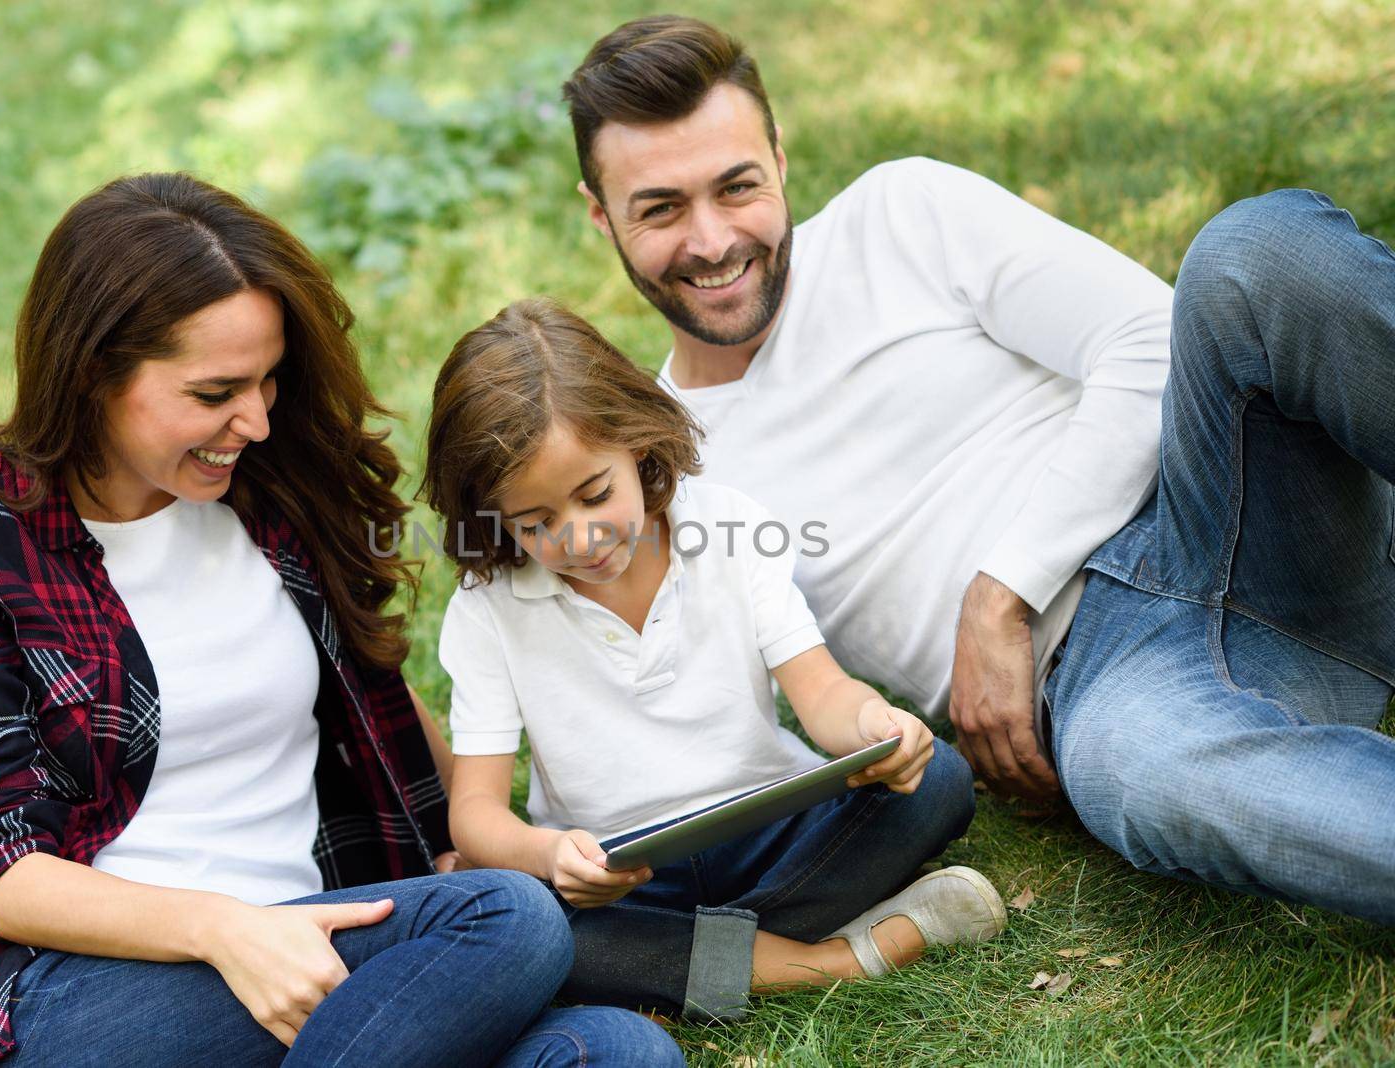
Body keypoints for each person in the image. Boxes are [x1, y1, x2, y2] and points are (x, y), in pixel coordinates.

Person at [557, 15, 1395, 924]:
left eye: (737, 186)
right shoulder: (656, 464)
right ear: (600, 215)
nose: (714, 240)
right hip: (1110, 680)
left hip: (1240, 499)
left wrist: (1002, 593)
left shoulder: (902, 214)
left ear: (781, 159)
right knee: (1143, 775)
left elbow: (1146, 341)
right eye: (661, 208)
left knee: (1254, 255)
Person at [0, 173, 682, 1067]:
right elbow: (6, 874)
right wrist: (228, 932)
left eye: (268, 381)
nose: (255, 420)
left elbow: (372, 697)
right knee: (510, 924)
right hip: (100, 991)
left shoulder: (272, 493)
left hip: (327, 963)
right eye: (216, 391)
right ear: (94, 370)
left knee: (615, 1052)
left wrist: (482, 840)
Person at [419, 297, 1004, 1023]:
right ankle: (829, 960)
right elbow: (473, 813)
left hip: (774, 833)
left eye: (595, 492)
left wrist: (875, 726)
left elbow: (821, 693)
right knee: (529, 917)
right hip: (622, 878)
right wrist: (546, 856)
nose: (580, 536)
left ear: (636, 443)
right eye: (537, 523)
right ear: (493, 519)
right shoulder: (489, 610)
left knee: (938, 779)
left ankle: (694, 958)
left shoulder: (727, 527)